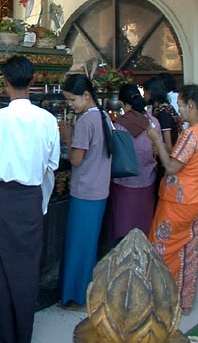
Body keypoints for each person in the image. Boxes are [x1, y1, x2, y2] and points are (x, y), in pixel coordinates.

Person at [0, 55, 60, 343]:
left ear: (4, 81)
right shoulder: (47, 120)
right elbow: (52, 164)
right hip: (31, 199)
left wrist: (1, 166)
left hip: (3, 199)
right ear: (33, 82)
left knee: (2, 264)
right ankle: (23, 333)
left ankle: (3, 331)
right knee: (27, 266)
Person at [58, 73, 112, 308]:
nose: (70, 105)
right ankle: (84, 289)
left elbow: (76, 159)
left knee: (78, 244)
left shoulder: (86, 122)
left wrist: (68, 136)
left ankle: (75, 294)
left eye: (72, 100)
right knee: (87, 244)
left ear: (86, 95)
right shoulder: (103, 116)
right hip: (99, 188)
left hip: (85, 190)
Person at [147, 84, 198, 315]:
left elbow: (170, 167)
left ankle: (162, 302)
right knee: (189, 250)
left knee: (162, 249)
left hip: (178, 201)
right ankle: (184, 302)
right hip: (194, 199)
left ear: (191, 105)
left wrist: (156, 138)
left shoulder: (191, 134)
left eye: (180, 105)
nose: (179, 111)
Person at [107, 84, 161, 247]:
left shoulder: (120, 125)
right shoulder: (154, 122)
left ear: (123, 104)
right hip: (148, 181)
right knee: (144, 227)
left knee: (123, 229)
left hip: (124, 184)